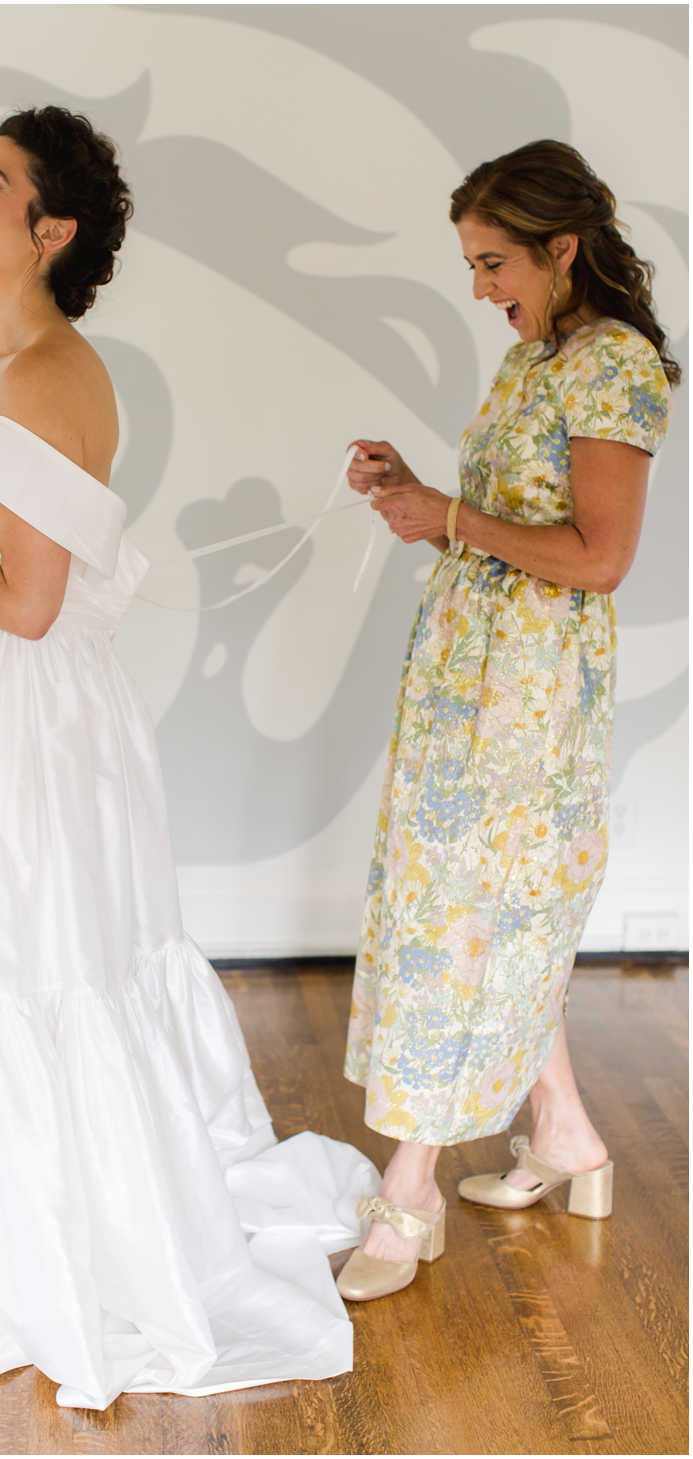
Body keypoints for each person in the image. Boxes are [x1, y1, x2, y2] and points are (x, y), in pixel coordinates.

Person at [0, 106, 380, 1409]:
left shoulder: (41, 373)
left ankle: (15, 1240)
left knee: (15, 955)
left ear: (50, 231)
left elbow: (30, 604)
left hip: (19, 716)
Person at [337, 140, 677, 1303]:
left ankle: (411, 1191)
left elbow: (601, 558)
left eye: (493, 264)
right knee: (492, 909)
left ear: (561, 248)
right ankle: (568, 1134)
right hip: (465, 679)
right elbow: (504, 522)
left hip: (528, 703)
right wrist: (416, 496)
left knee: (468, 922)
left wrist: (453, 516)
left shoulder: (613, 366)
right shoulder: (535, 358)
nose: (480, 288)